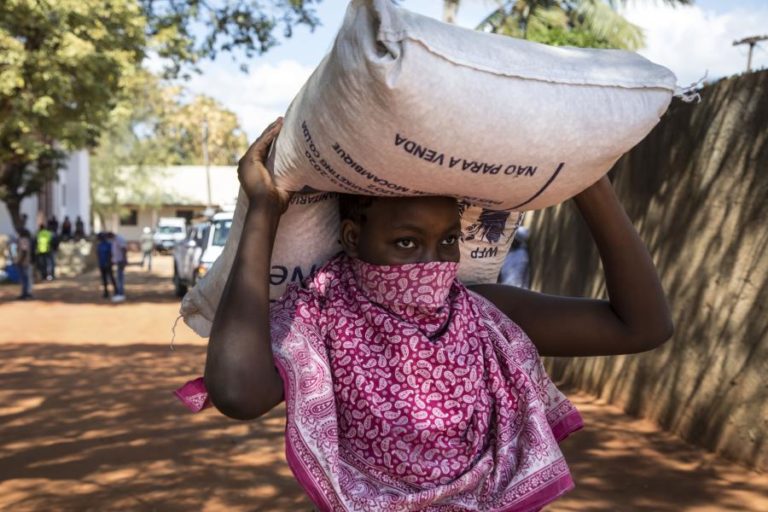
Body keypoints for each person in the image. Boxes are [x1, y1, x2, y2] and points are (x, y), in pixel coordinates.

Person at [177, 119, 673, 511]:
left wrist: (587, 181)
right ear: (354, 239)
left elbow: (642, 326)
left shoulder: (483, 315)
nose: (430, 263)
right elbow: (238, 394)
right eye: (406, 242)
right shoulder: (320, 314)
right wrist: (265, 209)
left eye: (447, 241)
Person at [108, 232, 127, 302]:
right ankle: (119, 292)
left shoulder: (119, 239)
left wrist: (124, 259)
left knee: (120, 278)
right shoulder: (114, 240)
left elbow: (124, 249)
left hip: (120, 261)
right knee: (118, 277)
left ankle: (120, 293)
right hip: (118, 261)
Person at [15, 228, 33, 300]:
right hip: (27, 261)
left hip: (23, 262)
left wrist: (19, 261)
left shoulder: (23, 240)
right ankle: (27, 293)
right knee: (27, 278)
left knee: (24, 279)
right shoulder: (28, 240)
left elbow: (24, 251)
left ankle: (25, 294)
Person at [96, 232, 116, 299]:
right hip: (102, 264)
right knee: (104, 279)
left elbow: (111, 254)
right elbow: (98, 255)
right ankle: (106, 292)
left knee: (111, 278)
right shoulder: (99, 245)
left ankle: (116, 291)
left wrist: (109, 262)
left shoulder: (108, 244)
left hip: (108, 264)